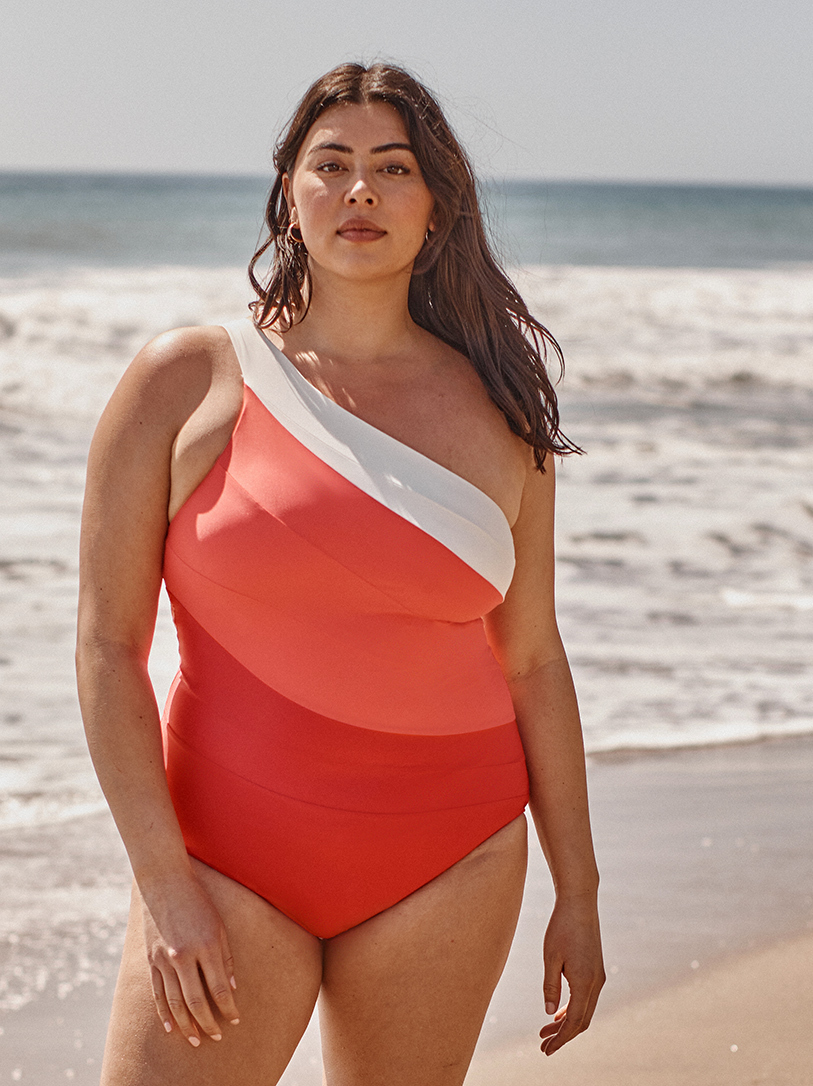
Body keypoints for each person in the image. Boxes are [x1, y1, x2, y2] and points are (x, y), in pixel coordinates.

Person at [76, 61, 605, 1086]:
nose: (358, 190)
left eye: (391, 167)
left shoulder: (504, 410)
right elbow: (106, 646)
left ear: (434, 205)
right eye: (332, 164)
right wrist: (162, 883)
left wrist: (576, 893)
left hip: (451, 859)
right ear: (290, 194)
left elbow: (533, 659)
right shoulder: (186, 378)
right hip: (224, 857)